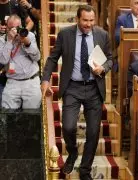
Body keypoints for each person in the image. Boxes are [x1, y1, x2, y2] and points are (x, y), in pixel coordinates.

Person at [41, 5, 112, 180]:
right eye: (85, 20)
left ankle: (85, 170)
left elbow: (111, 59)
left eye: (91, 20)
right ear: (77, 19)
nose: (88, 24)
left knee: (94, 133)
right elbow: (52, 58)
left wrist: (103, 68)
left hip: (95, 87)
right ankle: (72, 154)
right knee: (68, 126)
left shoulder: (102, 35)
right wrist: (45, 79)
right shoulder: (65, 34)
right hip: (72, 87)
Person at [0, 14, 40, 109]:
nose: (15, 31)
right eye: (11, 28)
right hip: (12, 82)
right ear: (7, 28)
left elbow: (37, 57)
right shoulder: (2, 40)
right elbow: (3, 60)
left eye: (17, 27)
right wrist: (9, 41)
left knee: (32, 115)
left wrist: (27, 43)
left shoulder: (30, 36)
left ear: (21, 26)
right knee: (8, 115)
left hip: (31, 81)